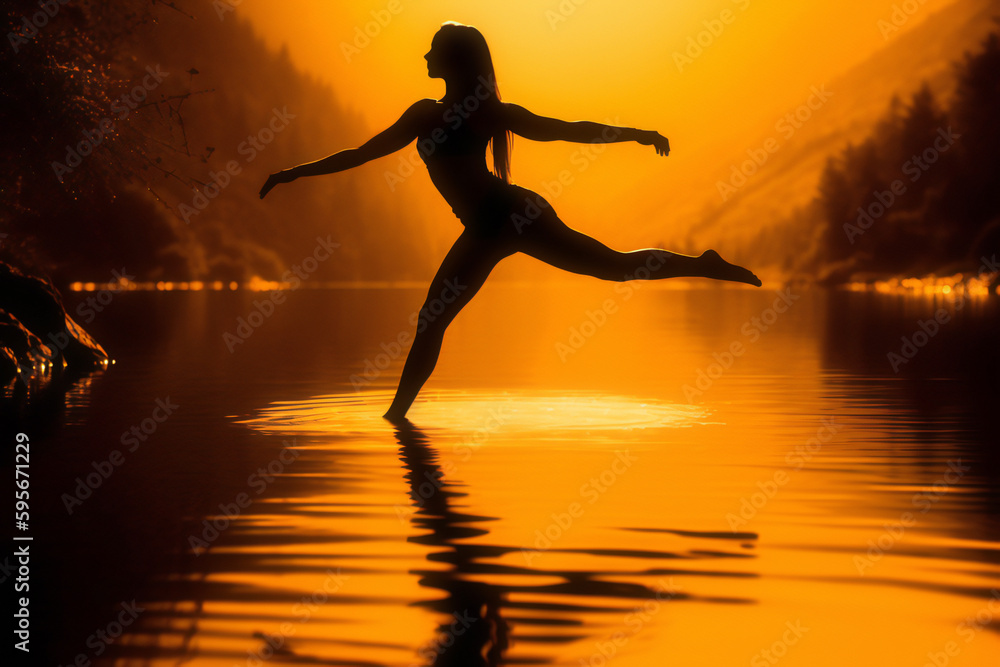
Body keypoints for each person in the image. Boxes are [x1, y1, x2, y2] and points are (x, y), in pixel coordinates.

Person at [260, 21, 761, 422]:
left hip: (514, 217)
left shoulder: (487, 113)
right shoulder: (423, 114)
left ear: (453, 60)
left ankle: (703, 264)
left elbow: (567, 130)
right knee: (435, 319)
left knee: (611, 268)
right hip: (488, 226)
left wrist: (635, 133)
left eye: (434, 49)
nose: (426, 56)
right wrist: (293, 172)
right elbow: (363, 153)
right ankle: (396, 416)